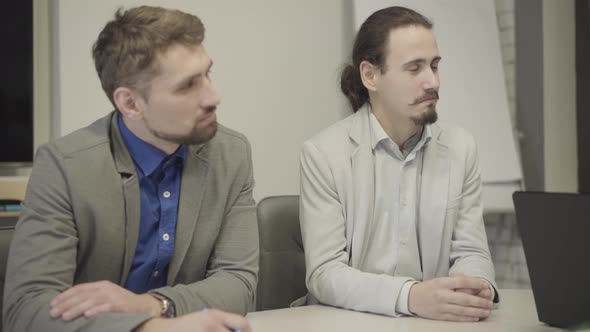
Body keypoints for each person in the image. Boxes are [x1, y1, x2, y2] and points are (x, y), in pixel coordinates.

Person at [3, 6, 256, 332]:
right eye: (187, 85)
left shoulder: (231, 153)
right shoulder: (65, 166)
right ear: (130, 104)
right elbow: (26, 310)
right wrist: (151, 328)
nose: (213, 96)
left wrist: (150, 305)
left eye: (208, 74)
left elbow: (238, 282)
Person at [299, 6, 498, 322]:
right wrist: (410, 296)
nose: (431, 81)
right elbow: (325, 274)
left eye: (434, 66)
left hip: (434, 324)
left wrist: (475, 286)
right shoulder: (324, 154)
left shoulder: (461, 148)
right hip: (348, 323)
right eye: (414, 68)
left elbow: (471, 253)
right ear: (370, 75)